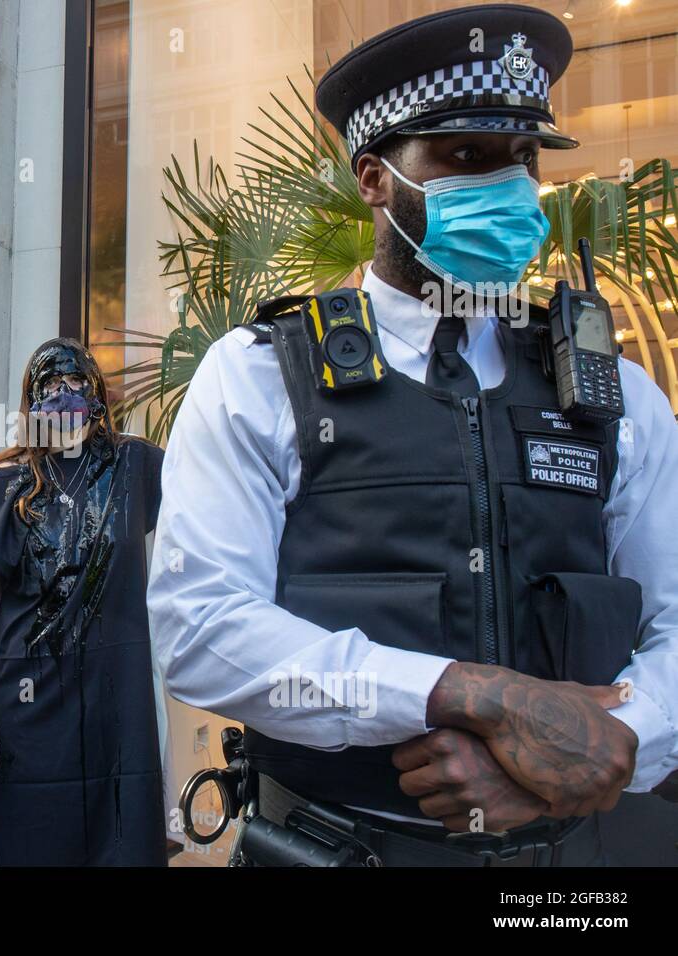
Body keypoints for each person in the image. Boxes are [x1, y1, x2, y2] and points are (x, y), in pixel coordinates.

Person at [149, 4, 678, 866]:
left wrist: (603, 752)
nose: (511, 192)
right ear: (373, 178)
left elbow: (674, 622)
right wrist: (472, 694)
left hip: (577, 863)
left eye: (523, 160)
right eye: (467, 158)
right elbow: (201, 631)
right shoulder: (259, 376)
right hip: (346, 847)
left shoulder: (614, 397)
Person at [0, 338, 167, 865]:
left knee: (124, 837)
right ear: (30, 404)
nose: (63, 395)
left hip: (115, 703)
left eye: (75, 382)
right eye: (48, 387)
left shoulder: (135, 466)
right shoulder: (6, 483)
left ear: (97, 391)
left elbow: (214, 497)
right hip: (29, 704)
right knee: (37, 843)